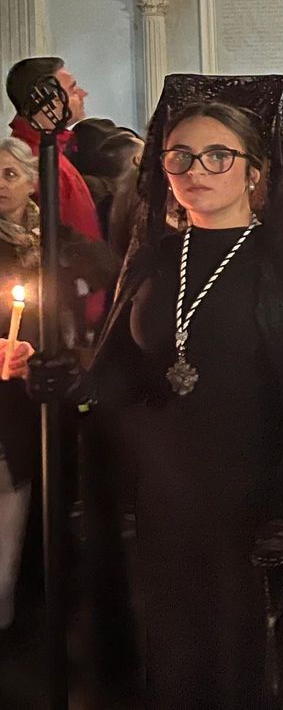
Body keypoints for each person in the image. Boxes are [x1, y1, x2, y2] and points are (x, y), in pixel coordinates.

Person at [81, 77, 283, 706]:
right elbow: (126, 376)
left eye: (217, 155)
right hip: (168, 497)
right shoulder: (159, 255)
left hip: (254, 497)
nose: (195, 170)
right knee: (179, 654)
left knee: (257, 665)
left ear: (256, 171)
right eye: (179, 155)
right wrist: (56, 379)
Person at [0, 135, 113, 688]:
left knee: (43, 506)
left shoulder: (53, 239)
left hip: (49, 394)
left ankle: (38, 622)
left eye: (10, 174)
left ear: (30, 181)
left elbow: (103, 267)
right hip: (7, 401)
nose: (1, 185)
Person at [3, 58, 102, 243]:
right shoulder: (29, 163)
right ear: (45, 99)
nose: (83, 93)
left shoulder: (54, 149)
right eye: (72, 89)